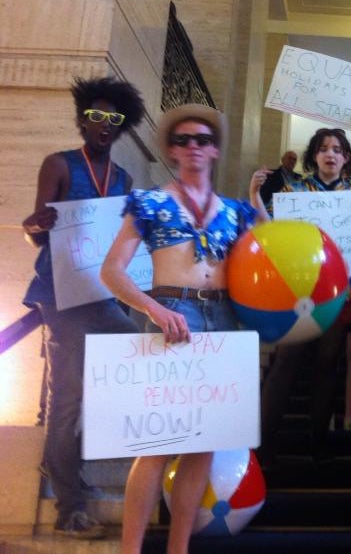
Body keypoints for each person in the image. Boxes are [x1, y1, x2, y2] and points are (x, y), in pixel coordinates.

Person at [100, 103, 269, 554]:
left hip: (224, 322)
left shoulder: (235, 212)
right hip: (172, 313)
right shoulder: (151, 202)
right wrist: (152, 308)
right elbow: (112, 271)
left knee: (203, 445)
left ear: (215, 150)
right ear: (172, 151)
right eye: (182, 140)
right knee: (155, 445)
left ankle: (179, 549)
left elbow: (269, 255)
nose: (193, 146)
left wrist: (258, 205)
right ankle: (130, 550)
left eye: (203, 140)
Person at [21, 76, 146, 539]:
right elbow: (35, 230)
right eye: (96, 116)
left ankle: (61, 463)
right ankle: (69, 508)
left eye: (114, 119)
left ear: (122, 127)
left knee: (135, 361)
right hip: (61, 295)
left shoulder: (125, 180)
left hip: (103, 294)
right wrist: (32, 226)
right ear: (82, 121)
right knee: (67, 400)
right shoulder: (58, 164)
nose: (104, 124)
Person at [259, 127, 351, 462]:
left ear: (346, 156)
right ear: (313, 156)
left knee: (326, 364)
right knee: (286, 361)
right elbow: (273, 233)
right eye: (323, 149)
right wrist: (254, 198)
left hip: (338, 292)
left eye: (337, 149)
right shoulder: (294, 191)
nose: (330, 154)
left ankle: (318, 440)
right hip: (298, 291)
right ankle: (263, 441)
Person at [258, 150, 303, 214]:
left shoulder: (298, 177)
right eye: (290, 158)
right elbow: (263, 196)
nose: (292, 161)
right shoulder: (270, 175)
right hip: (276, 210)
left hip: (294, 210)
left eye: (294, 159)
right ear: (282, 160)